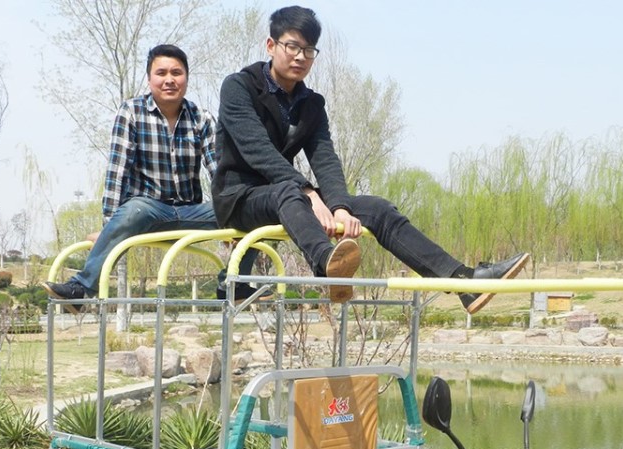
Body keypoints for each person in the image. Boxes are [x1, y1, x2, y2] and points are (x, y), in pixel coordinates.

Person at [211, 5, 529, 309]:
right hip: (240, 197)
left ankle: (463, 282)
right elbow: (258, 152)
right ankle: (329, 267)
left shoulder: (311, 104)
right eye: (292, 46)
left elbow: (325, 159)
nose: (300, 56)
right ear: (271, 45)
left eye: (309, 50)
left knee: (376, 209)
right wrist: (308, 194)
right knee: (289, 191)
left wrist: (340, 207)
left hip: (288, 195)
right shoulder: (239, 87)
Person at [43, 44, 218, 312]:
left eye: (176, 72)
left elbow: (219, 171)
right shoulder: (132, 113)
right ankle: (82, 288)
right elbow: (117, 170)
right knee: (135, 208)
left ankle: (233, 283)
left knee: (249, 210)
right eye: (161, 73)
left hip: (190, 213)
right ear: (150, 79)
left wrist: (233, 212)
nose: (169, 79)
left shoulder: (201, 118)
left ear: (186, 78)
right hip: (147, 212)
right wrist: (108, 226)